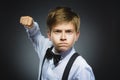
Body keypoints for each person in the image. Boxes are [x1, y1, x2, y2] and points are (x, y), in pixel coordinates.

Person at [20, 6, 95, 80]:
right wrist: (31, 25)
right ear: (49, 35)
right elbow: (35, 35)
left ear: (77, 36)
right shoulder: (45, 46)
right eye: (58, 31)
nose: (63, 37)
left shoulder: (81, 68)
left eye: (68, 32)